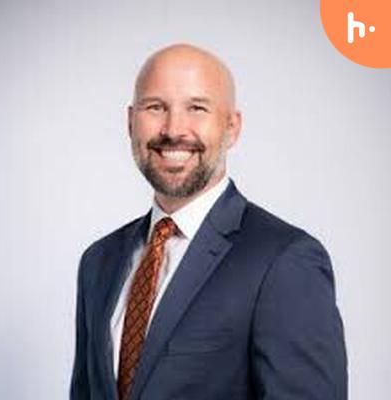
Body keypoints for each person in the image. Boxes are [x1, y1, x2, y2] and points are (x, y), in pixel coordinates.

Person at [70, 43, 348, 400]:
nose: (174, 129)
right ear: (130, 121)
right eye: (155, 107)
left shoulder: (284, 260)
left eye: (197, 108)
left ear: (232, 127)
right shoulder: (99, 262)